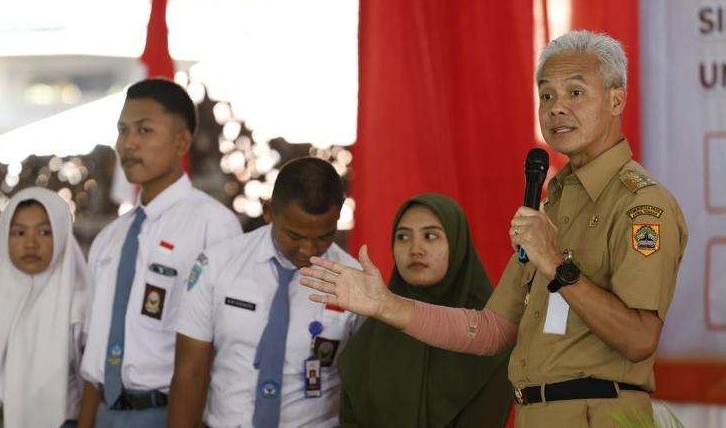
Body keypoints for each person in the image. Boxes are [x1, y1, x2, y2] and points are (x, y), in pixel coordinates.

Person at [300, 30, 689, 427]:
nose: (556, 108)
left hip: (600, 414)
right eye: (547, 95)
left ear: (615, 98)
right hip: (534, 414)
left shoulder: (641, 204)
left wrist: (557, 265)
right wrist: (385, 304)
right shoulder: (552, 204)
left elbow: (639, 339)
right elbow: (490, 331)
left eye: (575, 92)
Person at [77, 78, 242, 428]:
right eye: (123, 130)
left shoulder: (213, 226)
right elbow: (96, 348)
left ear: (182, 141)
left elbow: (222, 348)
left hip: (169, 414)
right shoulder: (111, 237)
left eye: (144, 130)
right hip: (104, 410)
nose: (128, 143)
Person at [168, 157, 362, 428]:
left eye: (323, 237)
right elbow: (190, 372)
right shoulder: (217, 265)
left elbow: (366, 386)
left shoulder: (355, 282)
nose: (308, 250)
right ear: (269, 211)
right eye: (294, 236)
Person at [338, 193, 513, 428]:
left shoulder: (491, 331)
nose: (415, 249)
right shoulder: (374, 332)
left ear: (456, 242)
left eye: (430, 236)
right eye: (403, 237)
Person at [0, 188, 90, 428]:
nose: (30, 243)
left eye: (44, 232)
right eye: (19, 232)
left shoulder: (79, 305)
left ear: (61, 235)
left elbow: (91, 383)